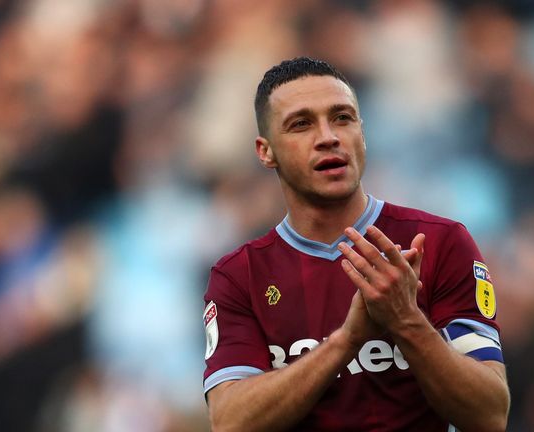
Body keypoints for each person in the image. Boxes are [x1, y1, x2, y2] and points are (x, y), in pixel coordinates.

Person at [202, 57, 510, 431]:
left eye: (342, 118)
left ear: (362, 133)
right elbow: (230, 422)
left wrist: (406, 320)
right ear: (266, 151)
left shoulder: (439, 242)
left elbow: (490, 414)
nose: (328, 136)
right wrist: (347, 340)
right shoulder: (240, 276)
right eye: (301, 124)